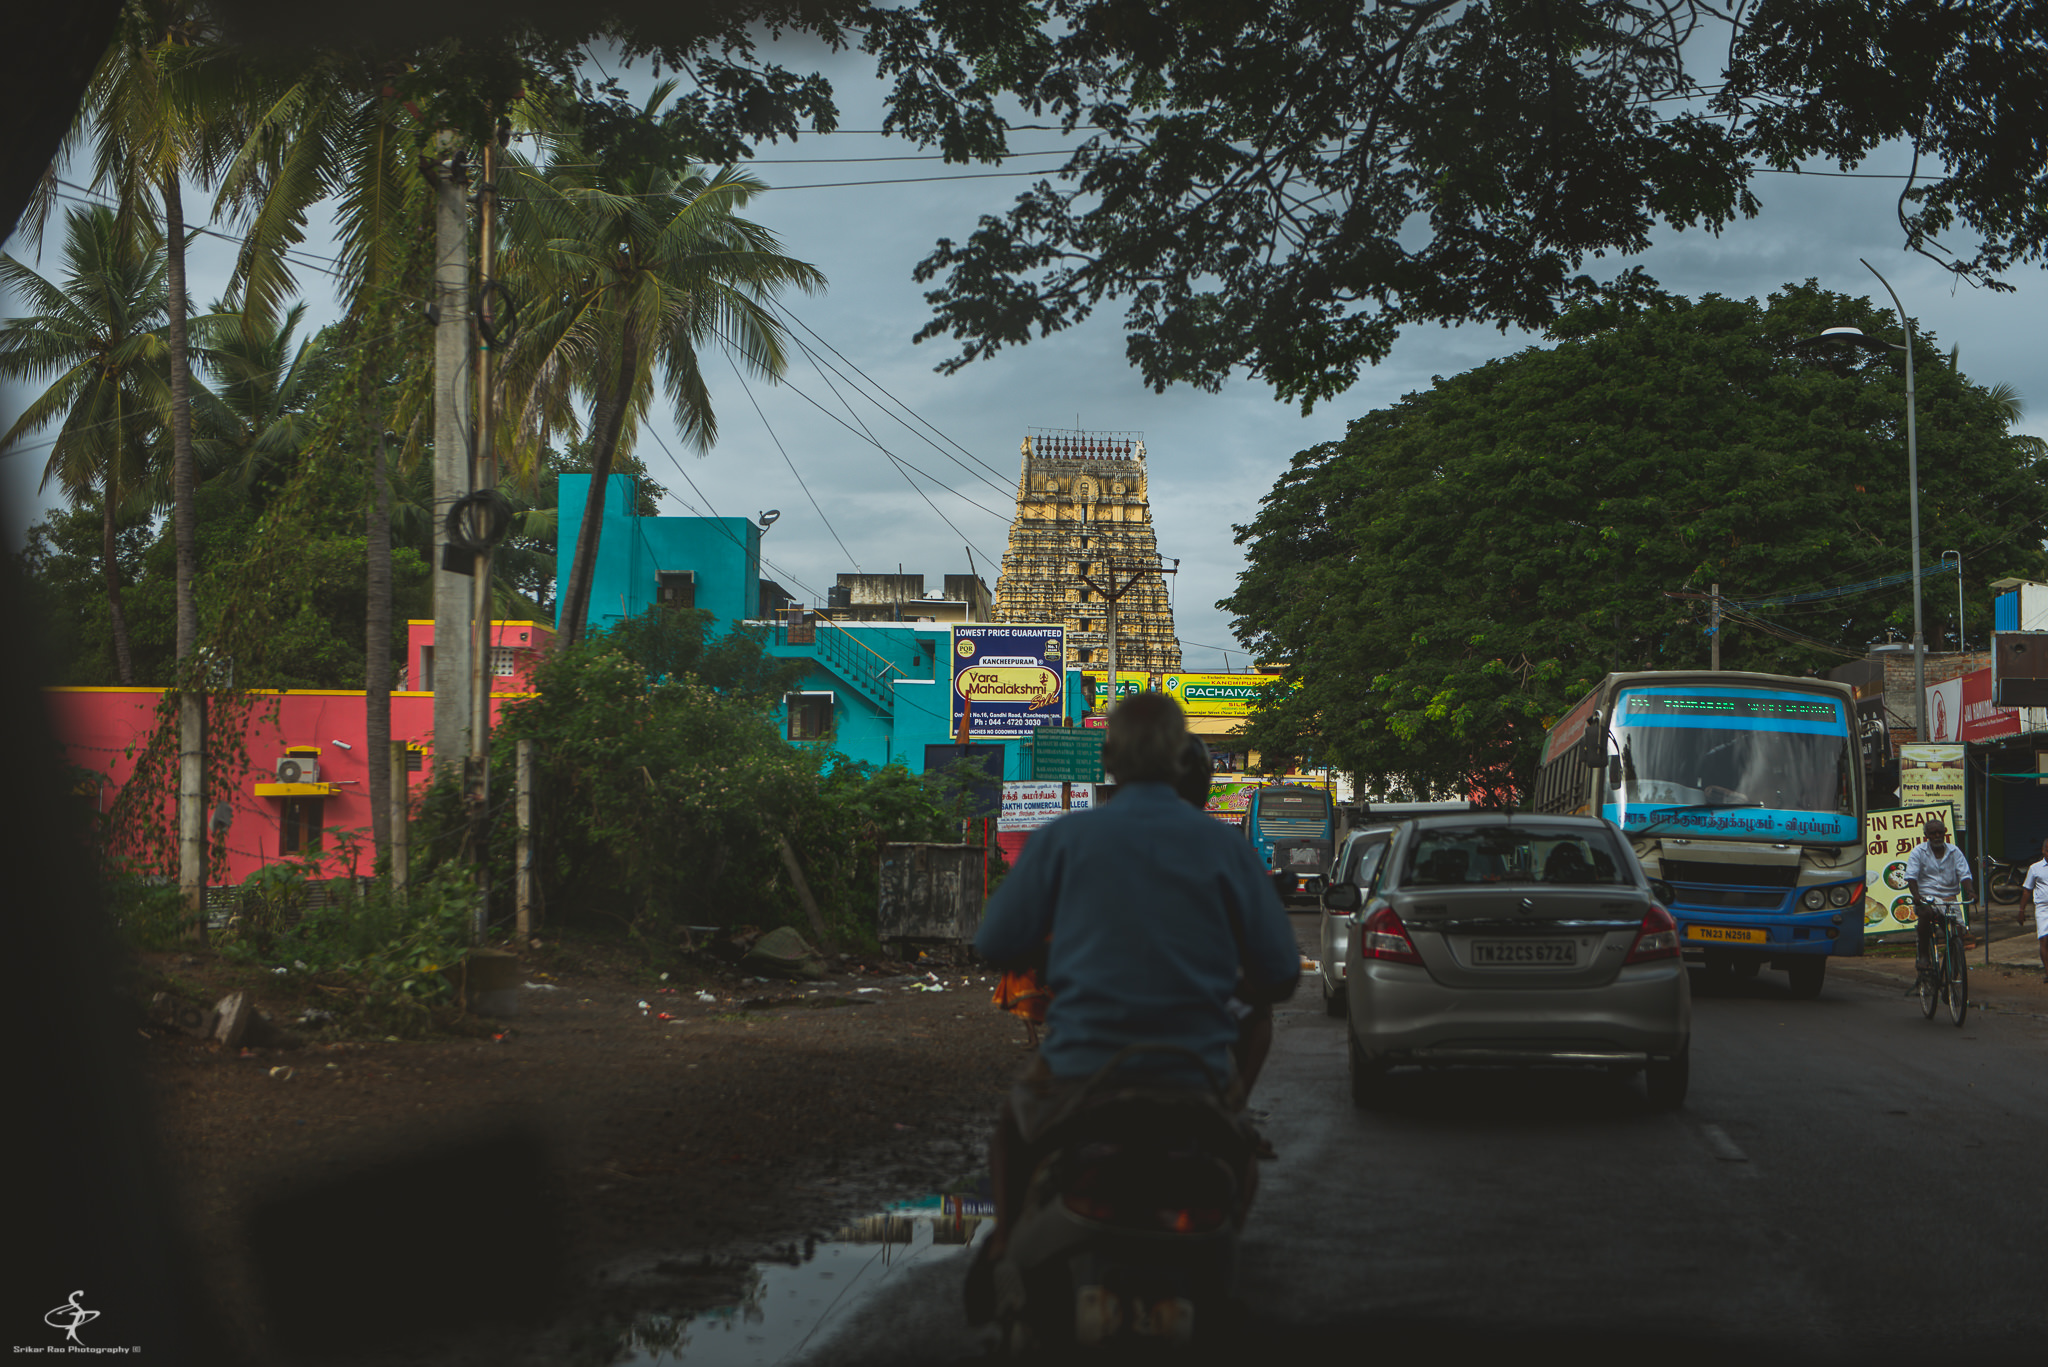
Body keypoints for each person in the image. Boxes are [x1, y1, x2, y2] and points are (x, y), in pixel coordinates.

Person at [965, 693, 1300, 1322]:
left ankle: (1006, 1245)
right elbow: (1281, 976)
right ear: (1181, 760)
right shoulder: (1225, 847)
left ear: (1110, 758)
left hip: (1078, 1071)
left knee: (1013, 1130)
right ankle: (1218, 1289)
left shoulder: (1064, 838)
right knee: (1238, 1164)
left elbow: (995, 943)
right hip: (1194, 1074)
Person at [1904, 817, 1975, 988]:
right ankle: (1924, 955)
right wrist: (1916, 896)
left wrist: (1971, 891)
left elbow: (1964, 875)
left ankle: (1952, 964)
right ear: (1926, 835)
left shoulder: (1954, 851)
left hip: (1950, 899)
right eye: (1932, 833)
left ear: (1945, 833)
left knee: (1957, 933)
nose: (1937, 836)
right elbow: (1911, 877)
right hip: (1927, 897)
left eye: (1939, 832)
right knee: (1926, 913)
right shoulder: (1918, 852)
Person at [2022, 835, 2048, 979]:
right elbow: (2027, 889)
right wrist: (2021, 910)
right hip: (2043, 908)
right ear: (2043, 851)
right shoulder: (2035, 868)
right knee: (2044, 939)